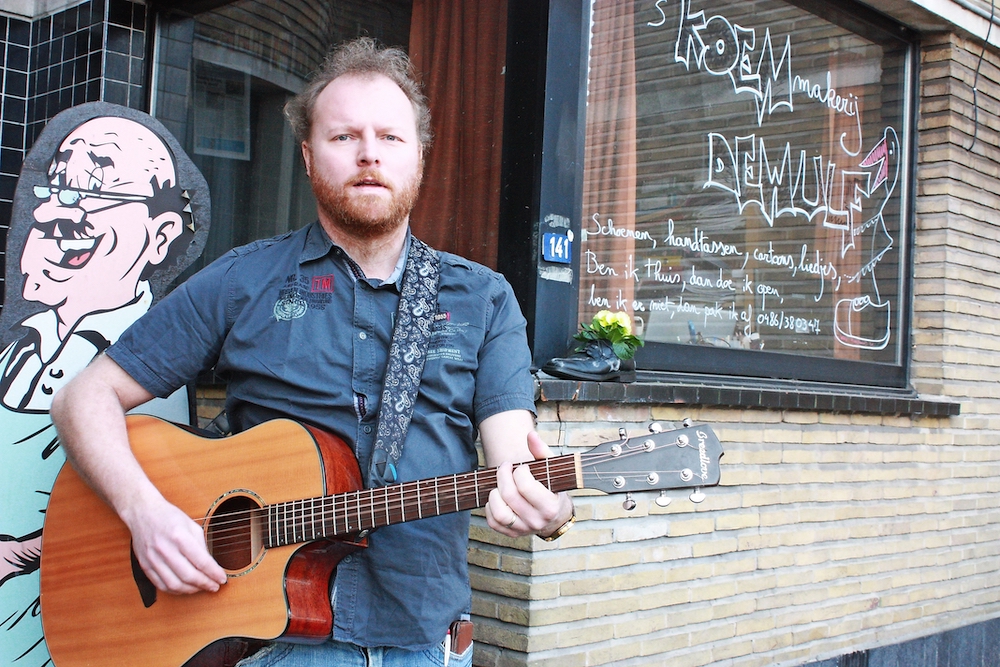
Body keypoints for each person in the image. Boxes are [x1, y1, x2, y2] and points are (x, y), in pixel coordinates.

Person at [50, 38, 574, 667]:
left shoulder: (484, 300)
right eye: (344, 136)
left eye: (390, 137)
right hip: (264, 642)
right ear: (306, 156)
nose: (369, 154)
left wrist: (546, 505)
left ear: (420, 158)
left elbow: (514, 453)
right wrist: (145, 513)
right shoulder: (244, 280)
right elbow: (85, 398)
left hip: (423, 644)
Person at [1, 110, 201, 667]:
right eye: (57, 183)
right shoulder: (21, 344)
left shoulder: (148, 369)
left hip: (67, 635)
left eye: (92, 187)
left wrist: (19, 554)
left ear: (160, 237)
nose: (47, 211)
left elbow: (155, 523)